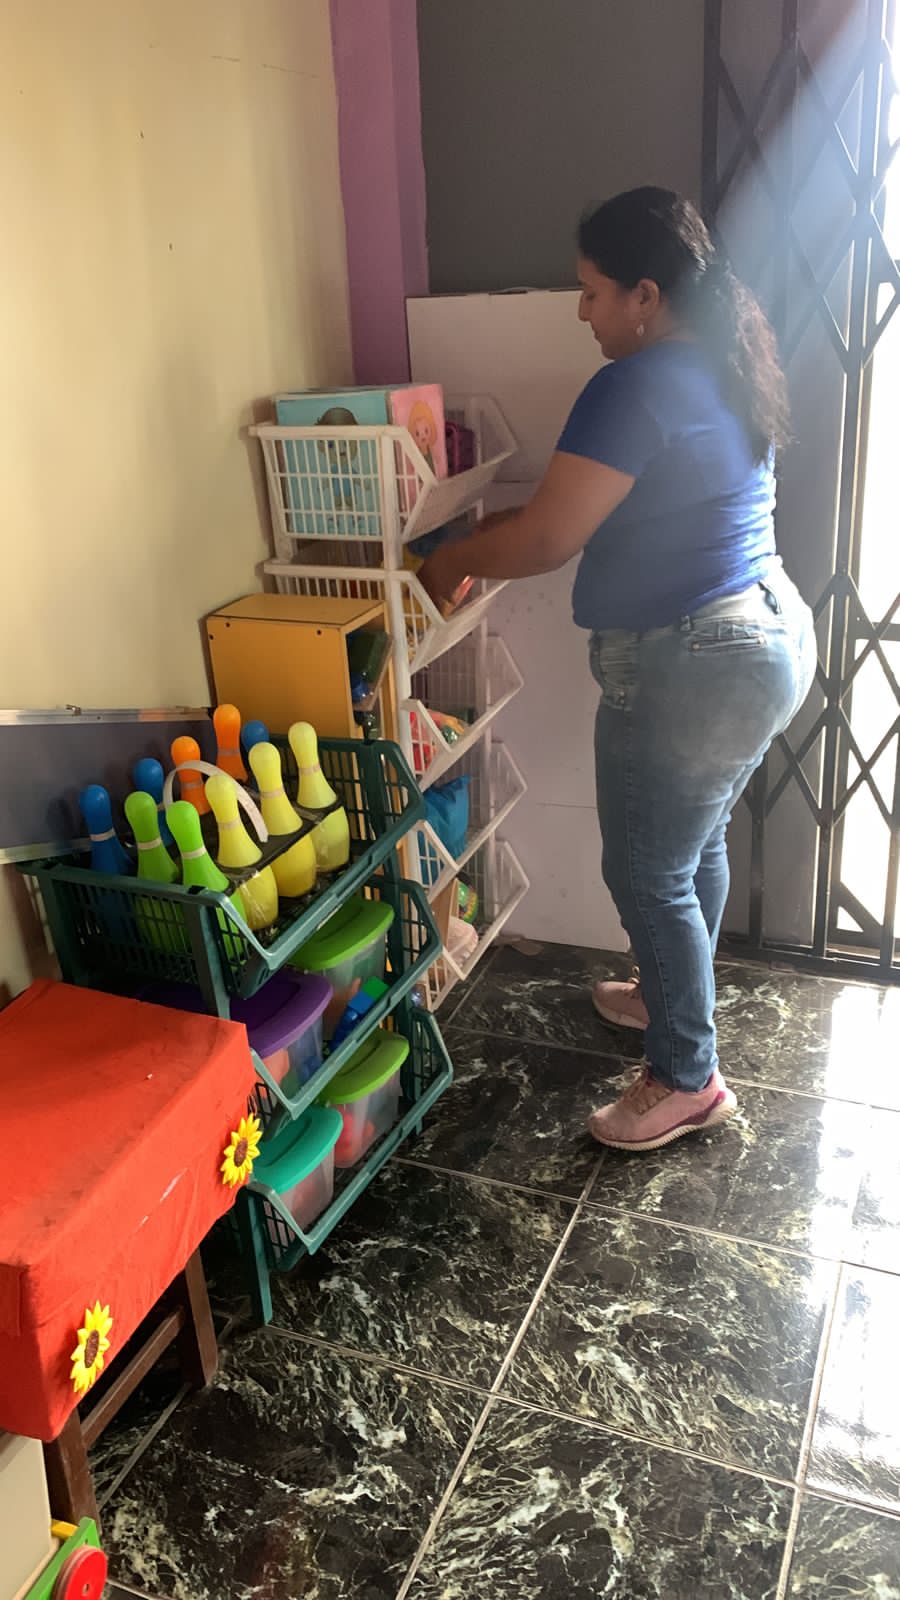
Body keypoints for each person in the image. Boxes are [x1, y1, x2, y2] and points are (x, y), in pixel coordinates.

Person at [418, 186, 816, 1154]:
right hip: (765, 634)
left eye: (593, 292)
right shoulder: (723, 366)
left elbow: (549, 536)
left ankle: (686, 1076)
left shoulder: (633, 386)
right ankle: (664, 998)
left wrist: (449, 558)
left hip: (692, 659)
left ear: (645, 295)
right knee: (691, 848)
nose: (581, 311)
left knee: (646, 869)